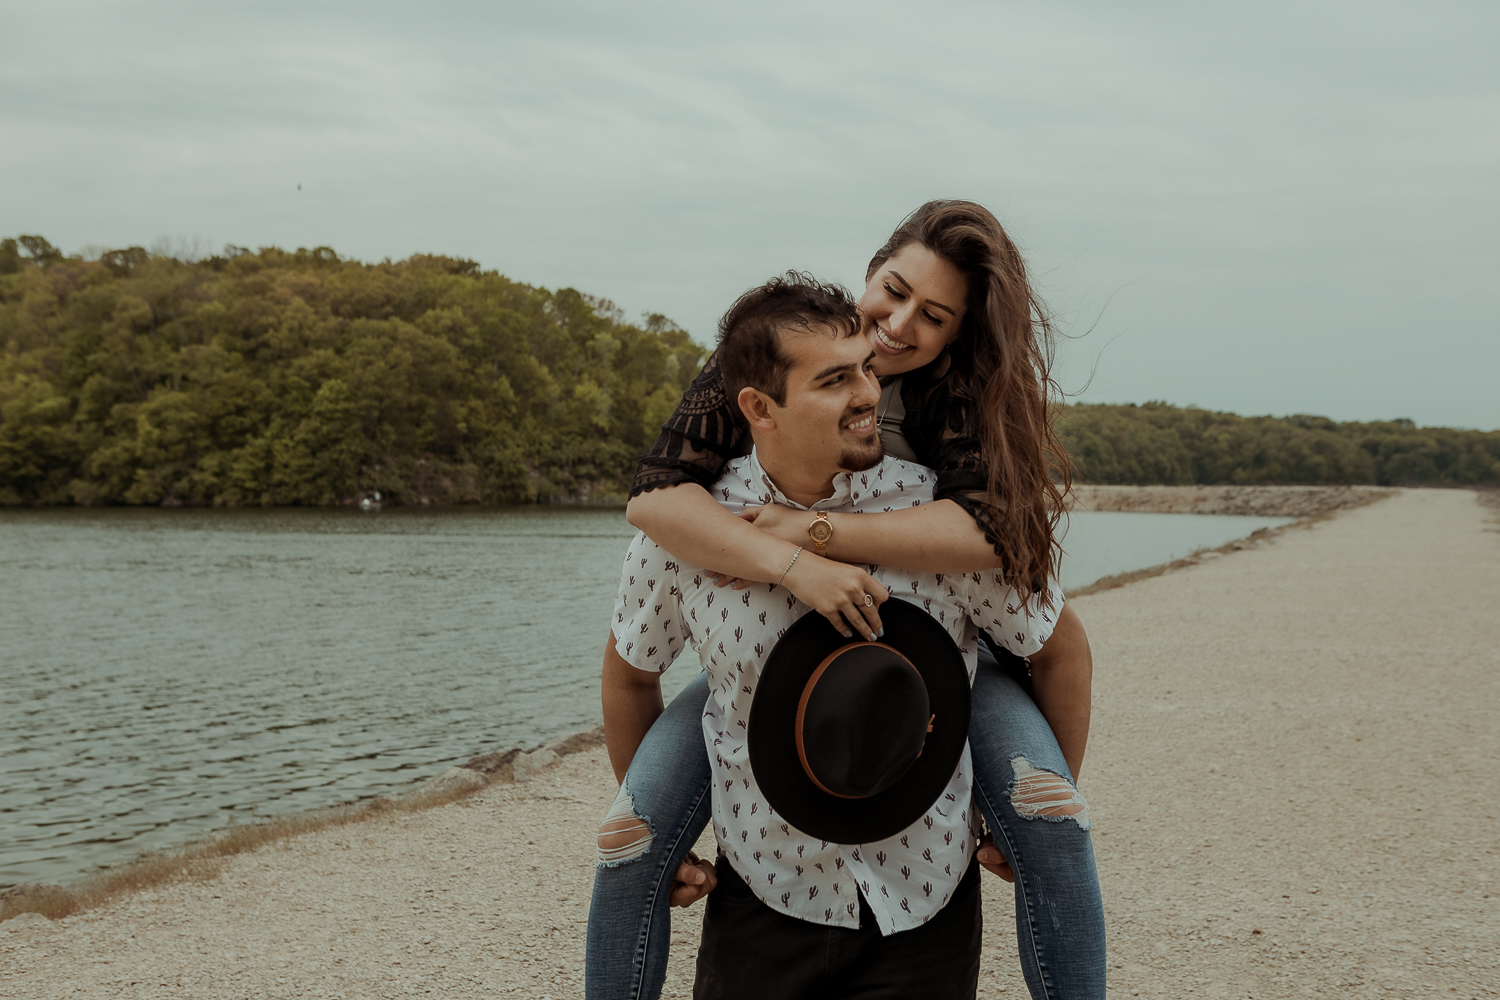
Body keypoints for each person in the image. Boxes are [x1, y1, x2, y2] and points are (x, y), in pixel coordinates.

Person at [587, 202, 1106, 999]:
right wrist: (788, 564)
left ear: (958, 334)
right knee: (627, 838)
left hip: (954, 669)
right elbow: (656, 502)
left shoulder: (960, 403)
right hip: (768, 759)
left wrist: (817, 533)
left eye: (932, 317)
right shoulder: (767, 359)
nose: (895, 329)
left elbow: (1000, 549)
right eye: (892, 293)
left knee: (1053, 820)